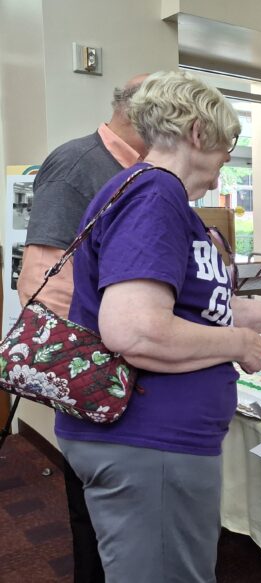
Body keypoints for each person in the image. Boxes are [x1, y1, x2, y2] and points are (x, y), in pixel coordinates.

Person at [54, 70, 261, 583]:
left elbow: (210, 307)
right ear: (197, 133)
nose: (224, 164)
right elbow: (135, 331)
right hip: (149, 442)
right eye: (227, 145)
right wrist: (239, 345)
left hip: (156, 442)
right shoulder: (155, 196)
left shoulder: (149, 193)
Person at [17, 73, 149, 583]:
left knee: (121, 514)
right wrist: (117, 338)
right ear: (145, 115)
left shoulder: (140, 172)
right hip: (96, 373)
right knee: (95, 514)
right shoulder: (78, 164)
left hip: (127, 367)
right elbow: (41, 284)